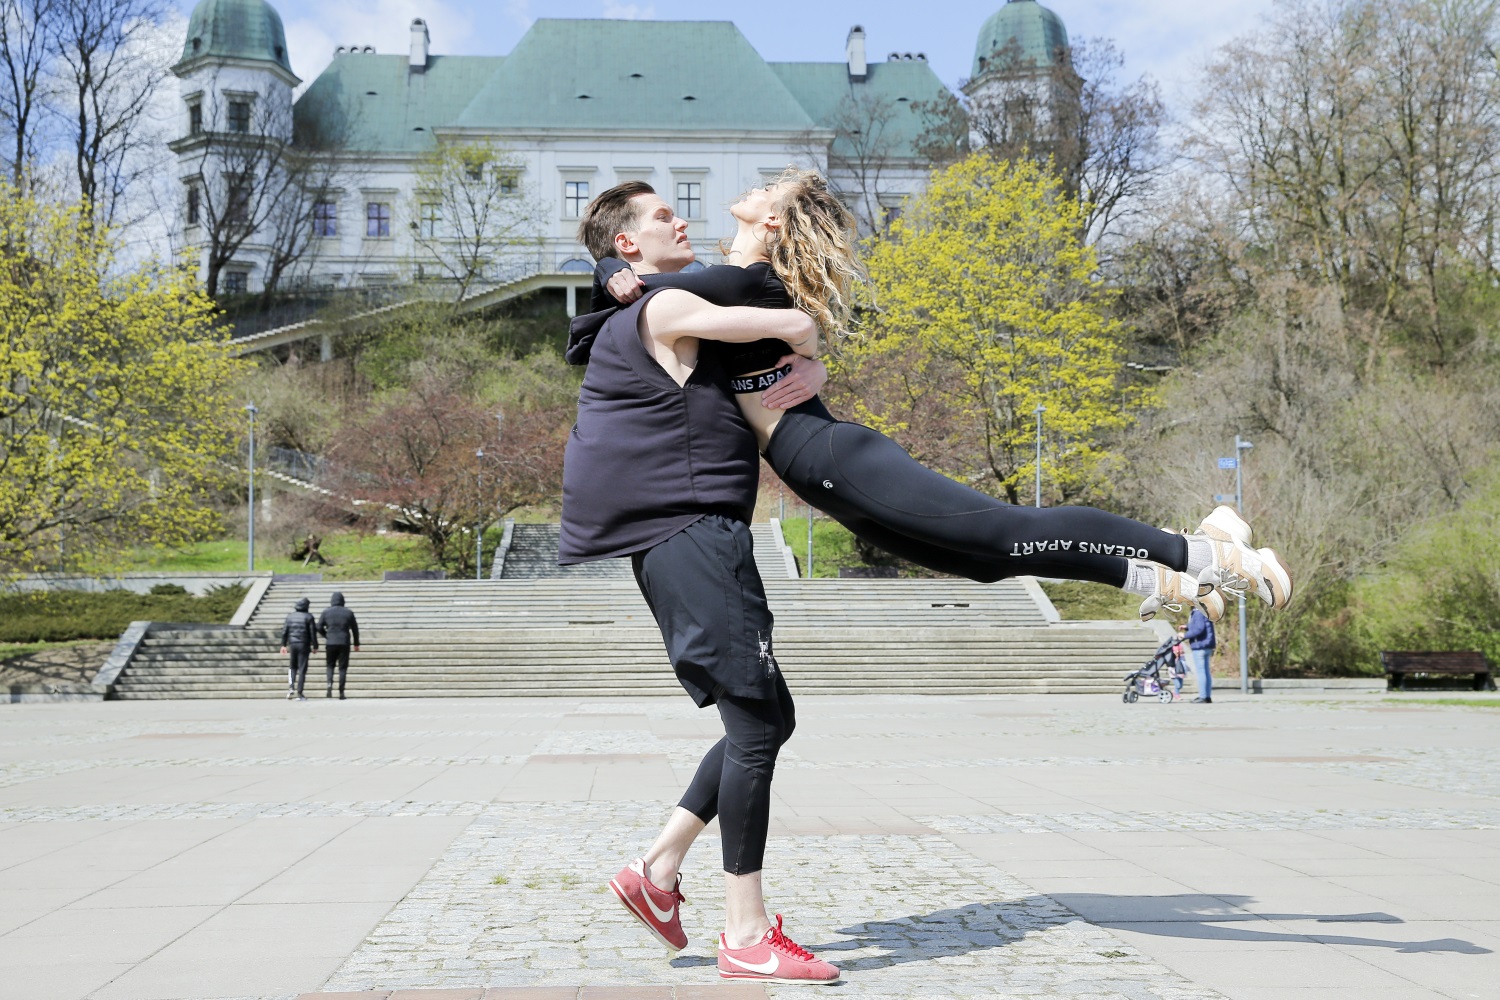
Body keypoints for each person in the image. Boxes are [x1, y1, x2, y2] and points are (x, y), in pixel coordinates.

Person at [574, 170, 1295, 624]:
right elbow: (653, 302)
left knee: (1009, 530)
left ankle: (1212, 552)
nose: (757, 188)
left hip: (827, 452)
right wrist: (609, 259)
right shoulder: (724, 282)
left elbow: (623, 312)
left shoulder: (732, 280)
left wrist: (609, 265)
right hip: (815, 461)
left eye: (770, 191)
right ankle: (1160, 579)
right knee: (986, 559)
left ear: (771, 225)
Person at [562, 183, 839, 985]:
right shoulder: (661, 310)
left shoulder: (645, 303)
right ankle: (745, 934)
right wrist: (804, 335)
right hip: (692, 531)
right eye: (660, 217)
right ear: (626, 248)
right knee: (756, 725)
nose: (681, 219)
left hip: (691, 534)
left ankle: (656, 869)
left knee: (769, 715)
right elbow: (785, 322)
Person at [317, 592, 360, 700]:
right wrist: (356, 643)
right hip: (344, 642)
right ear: (343, 601)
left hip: (330, 642)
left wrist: (326, 635)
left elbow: (318, 627)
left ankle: (329, 685)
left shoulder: (326, 612)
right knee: (342, 668)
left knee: (330, 666)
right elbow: (355, 629)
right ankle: (341, 692)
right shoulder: (348, 612)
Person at [278, 597, 317, 701]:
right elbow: (312, 633)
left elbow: (285, 631)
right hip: (304, 644)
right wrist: (315, 646)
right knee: (302, 669)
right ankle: (300, 692)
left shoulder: (290, 617)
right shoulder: (309, 617)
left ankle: (291, 687)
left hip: (293, 644)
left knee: (292, 666)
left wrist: (283, 645)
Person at [1185, 606, 1216, 703]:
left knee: (1201, 672)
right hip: (1206, 645)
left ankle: (1202, 697)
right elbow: (1201, 625)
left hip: (1200, 646)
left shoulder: (1198, 612)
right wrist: (1187, 627)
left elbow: (1199, 629)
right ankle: (1207, 696)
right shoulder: (1204, 611)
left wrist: (1184, 635)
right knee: (1206, 672)